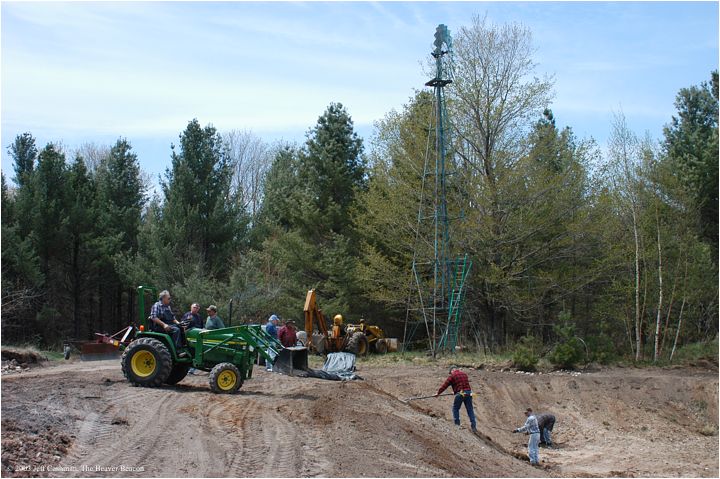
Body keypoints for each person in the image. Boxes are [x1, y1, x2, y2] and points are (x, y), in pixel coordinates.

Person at [435, 366, 477, 433]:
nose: (450, 374)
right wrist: (455, 391)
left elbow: (444, 386)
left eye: (450, 372)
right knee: (470, 409)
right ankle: (474, 426)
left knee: (455, 408)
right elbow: (463, 384)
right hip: (469, 393)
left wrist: (438, 393)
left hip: (460, 393)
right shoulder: (464, 374)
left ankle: (457, 425)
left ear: (452, 371)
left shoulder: (452, 376)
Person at [149, 290, 188, 357]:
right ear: (163, 298)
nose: (170, 299)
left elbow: (173, 318)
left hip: (169, 324)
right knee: (176, 330)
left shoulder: (167, 307)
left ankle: (185, 347)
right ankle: (178, 352)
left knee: (181, 328)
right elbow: (153, 317)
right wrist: (164, 325)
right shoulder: (157, 305)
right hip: (159, 326)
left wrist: (179, 323)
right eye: (168, 298)